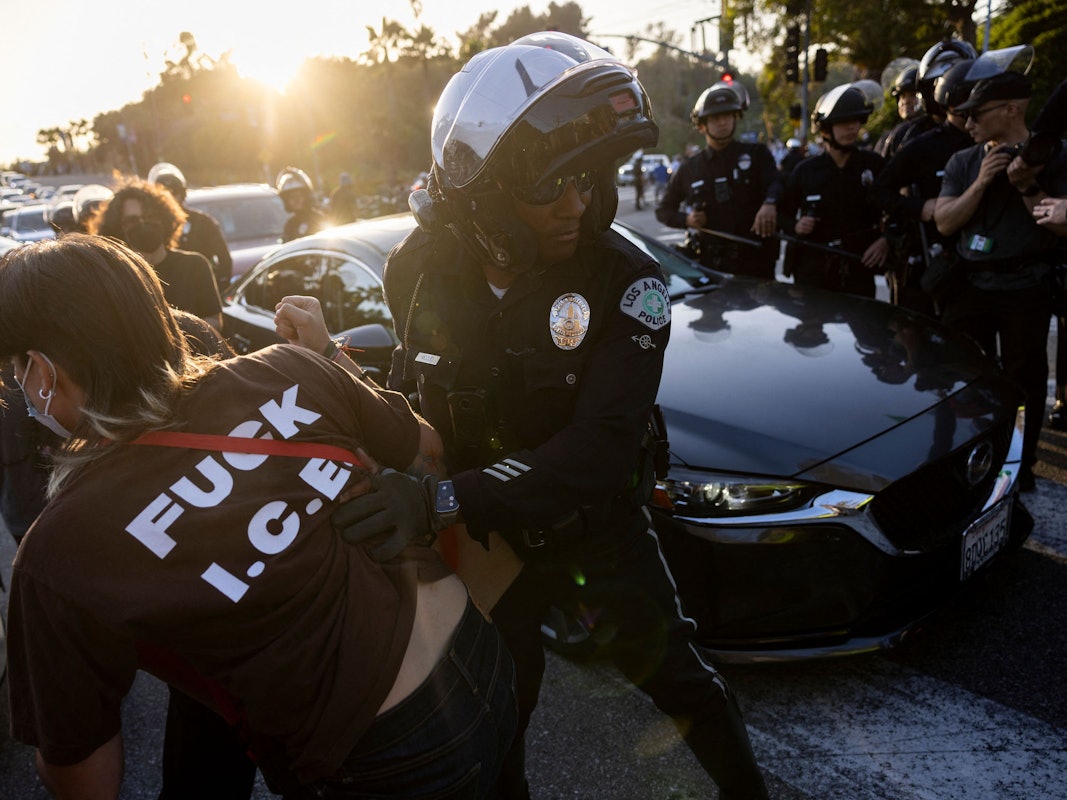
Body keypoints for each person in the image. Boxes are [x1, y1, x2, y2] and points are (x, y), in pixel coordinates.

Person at [351, 31, 769, 800]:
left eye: (587, 179)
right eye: (551, 186)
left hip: (598, 532)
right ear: (481, 192)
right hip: (489, 542)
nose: (578, 204)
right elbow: (415, 392)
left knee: (685, 688)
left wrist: (444, 499)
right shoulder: (418, 270)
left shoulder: (628, 279)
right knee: (497, 717)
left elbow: (601, 449)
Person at [0, 233, 517, 798]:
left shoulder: (59, 551)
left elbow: (87, 783)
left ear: (42, 372)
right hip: (483, 655)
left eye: (14, 372)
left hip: (384, 755)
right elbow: (427, 448)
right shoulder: (286, 365)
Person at [934, 49, 1067, 491]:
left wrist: (1026, 183)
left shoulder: (1054, 154)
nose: (968, 123)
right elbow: (946, 221)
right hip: (970, 283)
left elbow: (1056, 224)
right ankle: (958, 461)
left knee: (1023, 383)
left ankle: (1020, 466)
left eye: (978, 114)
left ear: (1012, 110)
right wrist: (982, 182)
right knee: (959, 377)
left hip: (1024, 287)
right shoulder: (964, 161)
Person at [871, 57, 979, 316]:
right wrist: (919, 208)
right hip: (927, 256)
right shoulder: (912, 140)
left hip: (981, 265)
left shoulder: (992, 139)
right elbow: (878, 192)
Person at [656, 80, 781, 280]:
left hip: (756, 264)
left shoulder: (757, 155)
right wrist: (687, 220)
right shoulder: (689, 169)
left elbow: (777, 183)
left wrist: (770, 203)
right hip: (710, 266)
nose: (722, 122)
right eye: (715, 118)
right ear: (701, 125)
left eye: (727, 115)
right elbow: (663, 210)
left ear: (736, 117)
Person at [777, 82, 889, 297]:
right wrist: (796, 226)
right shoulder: (805, 171)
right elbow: (782, 215)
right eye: (844, 122)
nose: (852, 128)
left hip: (858, 270)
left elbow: (896, 209)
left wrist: (886, 240)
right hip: (814, 271)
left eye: (856, 121)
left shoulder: (874, 165)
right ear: (826, 129)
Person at [93, 176, 224, 333]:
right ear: (118, 229)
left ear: (164, 218)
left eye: (150, 217)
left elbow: (215, 322)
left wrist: (175, 329)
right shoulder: (116, 276)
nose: (143, 224)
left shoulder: (195, 265)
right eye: (132, 220)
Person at [148, 161, 234, 291]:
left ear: (182, 194)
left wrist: (218, 288)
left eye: (174, 193)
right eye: (163, 195)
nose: (169, 198)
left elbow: (225, 260)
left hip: (202, 292)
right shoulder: (151, 227)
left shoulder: (203, 223)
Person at [876, 61, 924, 160]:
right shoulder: (889, 137)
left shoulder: (938, 134)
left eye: (912, 95)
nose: (906, 101)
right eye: (902, 96)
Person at [277, 166, 327, 242]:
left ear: (307, 196)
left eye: (298, 195)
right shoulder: (290, 225)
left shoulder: (318, 218)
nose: (296, 200)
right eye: (291, 197)